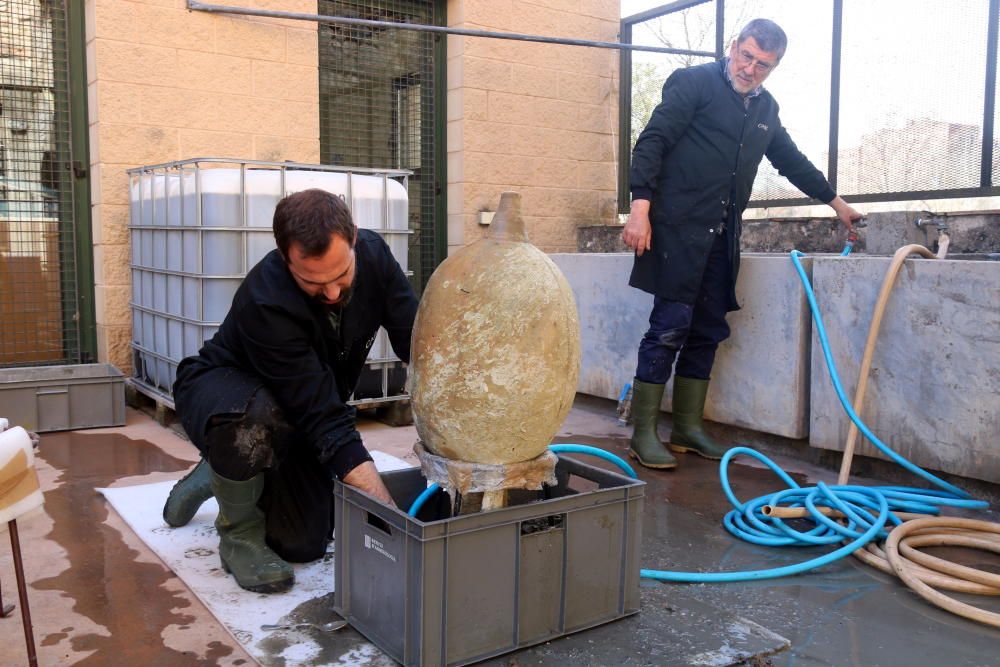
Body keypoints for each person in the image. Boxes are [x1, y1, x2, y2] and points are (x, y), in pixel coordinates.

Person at [621, 18, 861, 470]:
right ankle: (643, 433)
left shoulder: (766, 109)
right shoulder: (693, 84)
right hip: (675, 229)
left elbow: (790, 160)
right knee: (669, 326)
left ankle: (688, 429)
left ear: (774, 67)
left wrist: (837, 203)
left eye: (762, 64)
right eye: (746, 56)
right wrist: (640, 207)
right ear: (734, 47)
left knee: (708, 327)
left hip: (722, 232)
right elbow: (651, 141)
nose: (749, 69)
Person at [161, 188, 418, 593]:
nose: (332, 294)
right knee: (255, 420)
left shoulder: (375, 254)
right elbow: (323, 416)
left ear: (352, 237)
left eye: (341, 276)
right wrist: (391, 517)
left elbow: (415, 340)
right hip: (224, 393)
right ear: (285, 257)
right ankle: (238, 532)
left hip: (290, 405)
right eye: (313, 282)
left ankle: (219, 472)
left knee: (302, 543)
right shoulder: (265, 301)